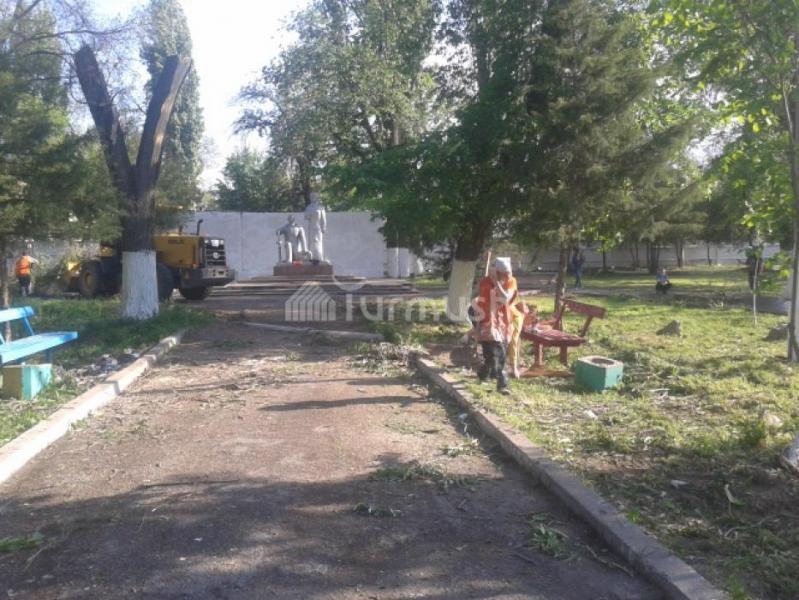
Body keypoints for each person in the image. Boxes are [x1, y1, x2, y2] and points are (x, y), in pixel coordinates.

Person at [473, 257, 520, 394]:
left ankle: (487, 375)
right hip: (486, 322)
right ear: (497, 272)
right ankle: (501, 383)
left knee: (500, 352)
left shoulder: (511, 281)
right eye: (505, 274)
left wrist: (497, 283)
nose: (508, 276)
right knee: (492, 354)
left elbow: (505, 298)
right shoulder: (485, 282)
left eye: (509, 273)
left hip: (503, 323)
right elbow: (478, 301)